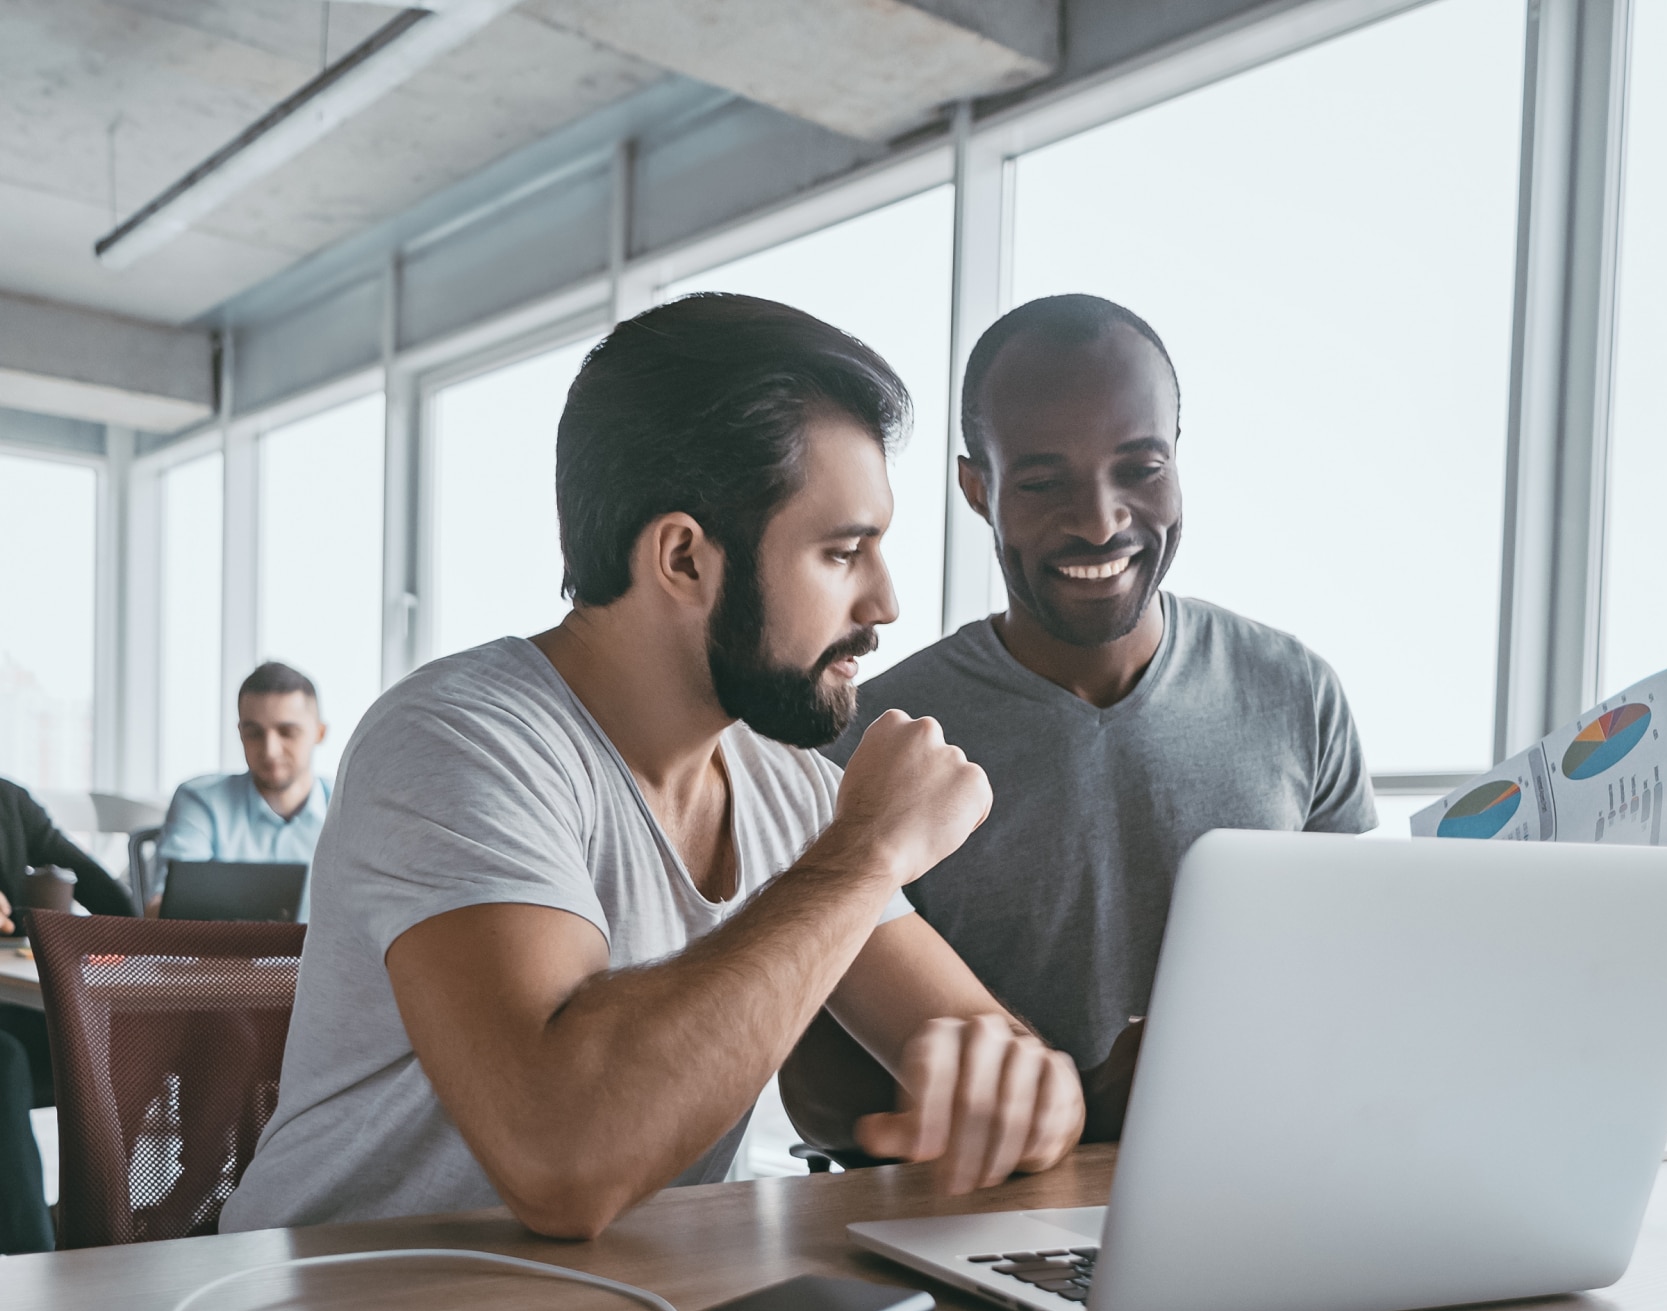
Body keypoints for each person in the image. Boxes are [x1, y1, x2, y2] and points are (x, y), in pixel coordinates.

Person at [222, 294, 1083, 1238]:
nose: (885, 600)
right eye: (843, 552)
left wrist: (1024, 1087)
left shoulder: (788, 788)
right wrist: (868, 852)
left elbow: (989, 1050)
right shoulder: (455, 741)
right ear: (682, 558)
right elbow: (563, 1157)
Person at [787, 293, 1375, 1150]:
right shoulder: (870, 734)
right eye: (1042, 482)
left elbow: (1348, 991)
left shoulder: (1296, 693)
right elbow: (824, 1105)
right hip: (970, 1222)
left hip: (1254, 1185)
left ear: (1177, 458)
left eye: (1139, 468)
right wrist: (1078, 1111)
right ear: (977, 488)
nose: (1099, 519)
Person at [0, 776, 135, 1252]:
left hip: (7, 1000)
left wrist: (137, 930)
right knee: (5, 1062)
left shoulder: (8, 801)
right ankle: (27, 1263)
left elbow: (88, 876)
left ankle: (112, 1233)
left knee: (102, 1045)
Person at [148, 660, 330, 916]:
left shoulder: (351, 809)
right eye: (254, 732)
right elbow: (161, 912)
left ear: (319, 733)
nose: (270, 750)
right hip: (221, 956)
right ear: (240, 732)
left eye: (287, 732)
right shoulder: (200, 800)